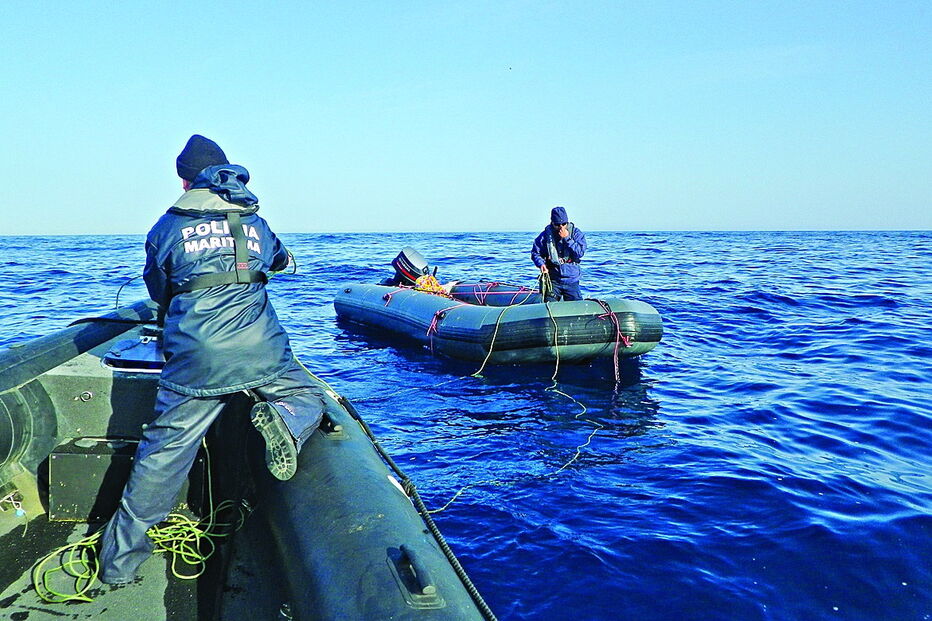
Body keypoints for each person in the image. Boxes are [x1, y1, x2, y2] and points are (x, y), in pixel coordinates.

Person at [98, 135, 325, 585]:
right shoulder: (254, 220)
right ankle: (287, 418)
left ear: (184, 178)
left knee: (162, 456)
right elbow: (279, 261)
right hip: (263, 354)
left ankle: (117, 566)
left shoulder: (166, 226)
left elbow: (159, 292)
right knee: (308, 393)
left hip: (197, 361)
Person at [531, 206, 587, 301]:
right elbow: (535, 253)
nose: (561, 227)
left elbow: (580, 252)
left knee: (576, 305)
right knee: (548, 306)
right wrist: (541, 264)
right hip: (554, 280)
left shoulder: (576, 233)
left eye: (563, 224)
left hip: (571, 279)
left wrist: (567, 238)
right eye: (557, 224)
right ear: (552, 223)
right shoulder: (544, 236)